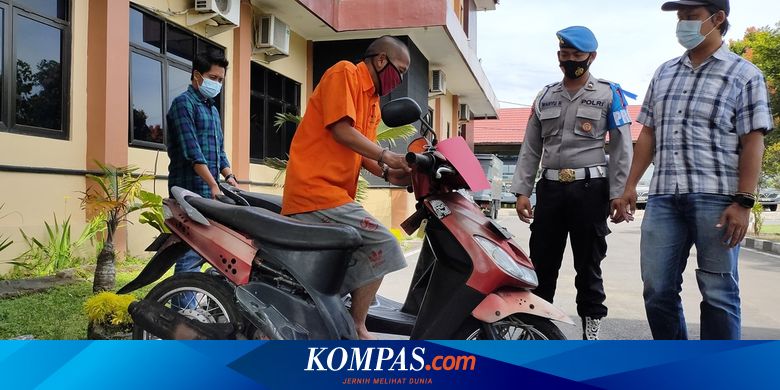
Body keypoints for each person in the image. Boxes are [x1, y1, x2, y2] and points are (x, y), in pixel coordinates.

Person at [617, 0, 773, 340]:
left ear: (718, 19)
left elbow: (753, 141)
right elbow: (648, 133)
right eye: (679, 18)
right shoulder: (665, 72)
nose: (682, 24)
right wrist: (629, 185)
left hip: (717, 198)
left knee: (718, 292)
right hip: (663, 198)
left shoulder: (744, 75)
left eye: (691, 17)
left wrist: (744, 202)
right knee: (656, 288)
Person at [281, 36, 412, 340]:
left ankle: (325, 307)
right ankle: (354, 325)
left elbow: (364, 153)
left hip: (335, 197)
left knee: (364, 247)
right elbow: (341, 130)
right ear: (381, 61)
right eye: (400, 70)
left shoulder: (373, 102)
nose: (401, 79)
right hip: (315, 193)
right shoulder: (344, 74)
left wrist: (396, 173)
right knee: (384, 244)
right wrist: (385, 156)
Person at [510, 26, 633, 340]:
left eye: (577, 55)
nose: (570, 60)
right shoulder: (546, 96)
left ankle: (591, 329)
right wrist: (522, 190)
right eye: (565, 55)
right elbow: (531, 146)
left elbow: (622, 146)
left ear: (591, 57)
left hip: (590, 190)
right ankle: (535, 330)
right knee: (541, 266)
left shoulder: (609, 94)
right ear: (558, 57)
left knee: (588, 266)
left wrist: (619, 193)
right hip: (550, 190)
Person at [167, 52, 238, 301]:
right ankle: (183, 315)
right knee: (189, 253)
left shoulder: (212, 110)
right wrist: (212, 184)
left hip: (210, 193)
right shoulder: (183, 104)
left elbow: (218, 150)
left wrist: (229, 177)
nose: (217, 84)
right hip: (188, 191)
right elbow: (192, 151)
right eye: (213, 77)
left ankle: (200, 302)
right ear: (197, 76)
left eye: (220, 79)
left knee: (209, 252)